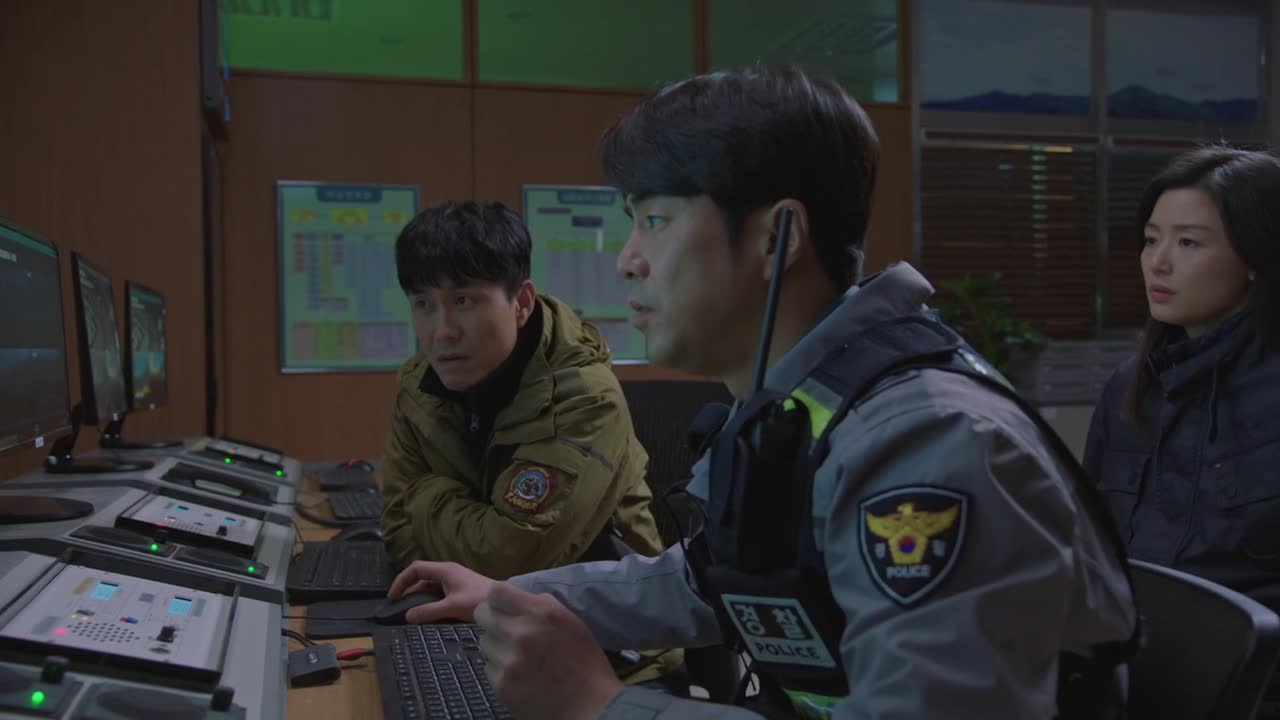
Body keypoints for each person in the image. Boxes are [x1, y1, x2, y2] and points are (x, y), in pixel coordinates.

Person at [387, 67, 1138, 719]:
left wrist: (603, 705)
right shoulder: (797, 409)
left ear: (778, 238)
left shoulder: (929, 446)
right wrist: (507, 596)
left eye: (655, 220)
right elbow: (701, 579)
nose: (628, 260)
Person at [380, 199, 680, 684]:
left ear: (520, 304)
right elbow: (396, 531)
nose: (442, 331)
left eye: (464, 301)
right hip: (482, 633)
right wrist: (449, 523)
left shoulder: (584, 398)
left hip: (609, 656)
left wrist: (424, 492)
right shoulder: (421, 383)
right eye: (423, 305)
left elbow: (507, 561)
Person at [1085, 146, 1280, 613]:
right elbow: (1091, 544)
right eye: (1151, 240)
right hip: (1136, 648)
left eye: (1189, 243)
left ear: (1256, 257)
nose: (1159, 262)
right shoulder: (1130, 386)